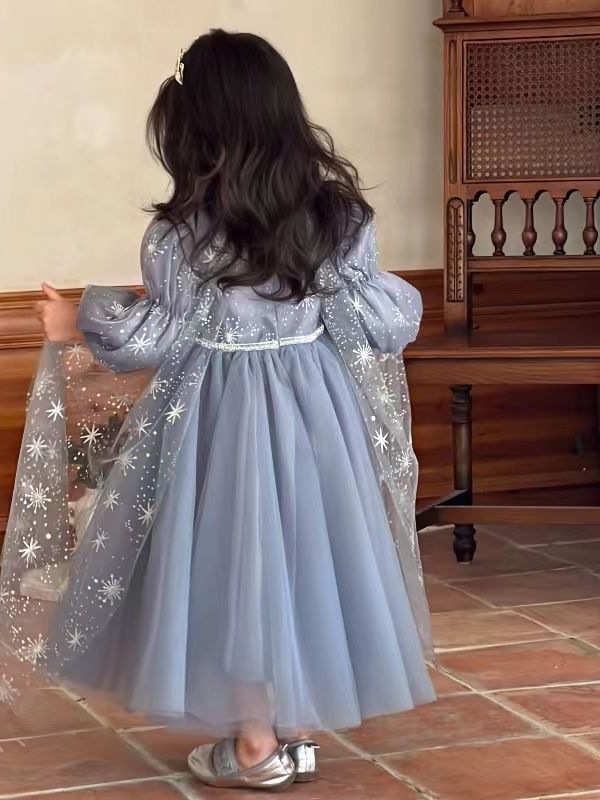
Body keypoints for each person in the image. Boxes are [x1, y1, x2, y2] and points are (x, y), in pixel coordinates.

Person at [4, 29, 435, 792]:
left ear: (196, 131)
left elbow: (159, 337)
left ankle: (256, 746)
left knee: (232, 572)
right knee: (307, 562)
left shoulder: (180, 235)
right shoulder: (337, 219)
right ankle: (297, 732)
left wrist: (75, 323)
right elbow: (382, 322)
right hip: (318, 413)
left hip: (221, 417)